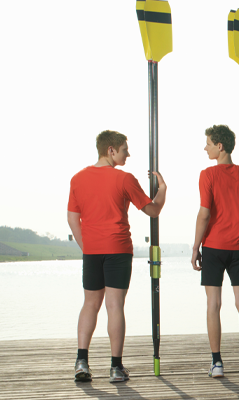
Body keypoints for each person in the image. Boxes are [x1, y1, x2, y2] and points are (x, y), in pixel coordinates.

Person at [68, 130, 167, 383]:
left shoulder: (78, 178)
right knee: (114, 306)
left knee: (90, 303)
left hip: (92, 251)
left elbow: (72, 217)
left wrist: (86, 246)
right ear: (111, 150)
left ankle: (81, 361)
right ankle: (115, 367)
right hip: (118, 250)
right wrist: (162, 190)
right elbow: (152, 211)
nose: (128, 153)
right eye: (125, 149)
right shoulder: (124, 179)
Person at [191, 125, 239, 378]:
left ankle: (217, 364)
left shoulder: (207, 175)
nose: (205, 147)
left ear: (220, 146)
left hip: (213, 247)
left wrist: (195, 247)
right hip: (238, 249)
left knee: (213, 304)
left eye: (208, 143)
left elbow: (204, 214)